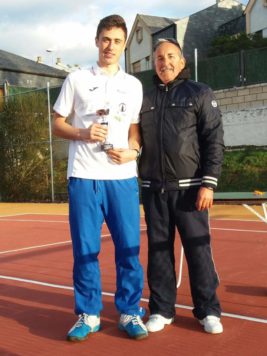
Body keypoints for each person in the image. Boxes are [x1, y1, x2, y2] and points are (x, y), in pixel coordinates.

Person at [53, 14, 148, 342]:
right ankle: (89, 313)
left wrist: (133, 151)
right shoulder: (76, 79)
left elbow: (135, 130)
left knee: (129, 250)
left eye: (117, 41)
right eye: (105, 39)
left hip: (122, 178)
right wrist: (82, 132)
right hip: (84, 177)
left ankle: (130, 311)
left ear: (123, 46)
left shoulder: (133, 85)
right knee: (85, 250)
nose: (110, 46)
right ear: (97, 41)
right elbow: (57, 123)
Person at [138, 38, 225, 334]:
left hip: (191, 190)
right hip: (153, 190)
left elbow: (213, 140)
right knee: (158, 252)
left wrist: (209, 184)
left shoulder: (199, 93)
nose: (166, 62)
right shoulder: (145, 98)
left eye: (171, 56)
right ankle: (162, 310)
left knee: (198, 251)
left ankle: (208, 310)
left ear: (183, 61)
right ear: (154, 63)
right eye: (160, 58)